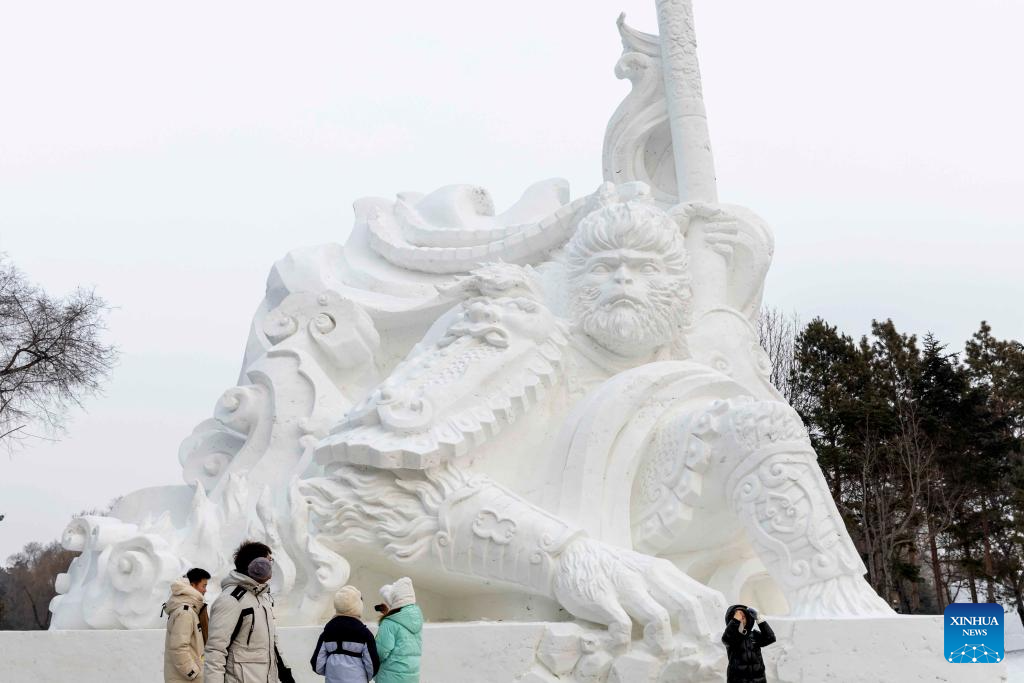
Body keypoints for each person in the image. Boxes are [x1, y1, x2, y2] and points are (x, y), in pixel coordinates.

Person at [204, 541, 295, 683]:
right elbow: (215, 651)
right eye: (268, 561)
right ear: (256, 565)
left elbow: (272, 643)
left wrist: (285, 672)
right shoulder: (231, 600)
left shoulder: (262, 598)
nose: (271, 566)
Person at [310, 585, 380, 683]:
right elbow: (373, 665)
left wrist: (331, 673)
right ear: (358, 607)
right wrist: (364, 677)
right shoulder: (364, 634)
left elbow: (317, 664)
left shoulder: (327, 632)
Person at [163, 567, 211, 682]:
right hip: (186, 679)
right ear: (193, 585)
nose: (205, 590)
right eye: (204, 586)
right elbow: (178, 647)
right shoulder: (185, 612)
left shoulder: (190, 609)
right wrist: (193, 673)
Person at [374, 577, 423, 683]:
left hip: (391, 677)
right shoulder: (416, 620)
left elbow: (380, 653)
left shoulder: (389, 623)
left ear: (395, 600)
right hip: (412, 677)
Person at [721, 603, 776, 683]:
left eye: (743, 617)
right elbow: (726, 639)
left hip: (759, 680)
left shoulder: (753, 635)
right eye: (737, 616)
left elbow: (770, 638)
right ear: (732, 620)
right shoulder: (731, 636)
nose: (741, 618)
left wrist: (759, 619)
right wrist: (736, 620)